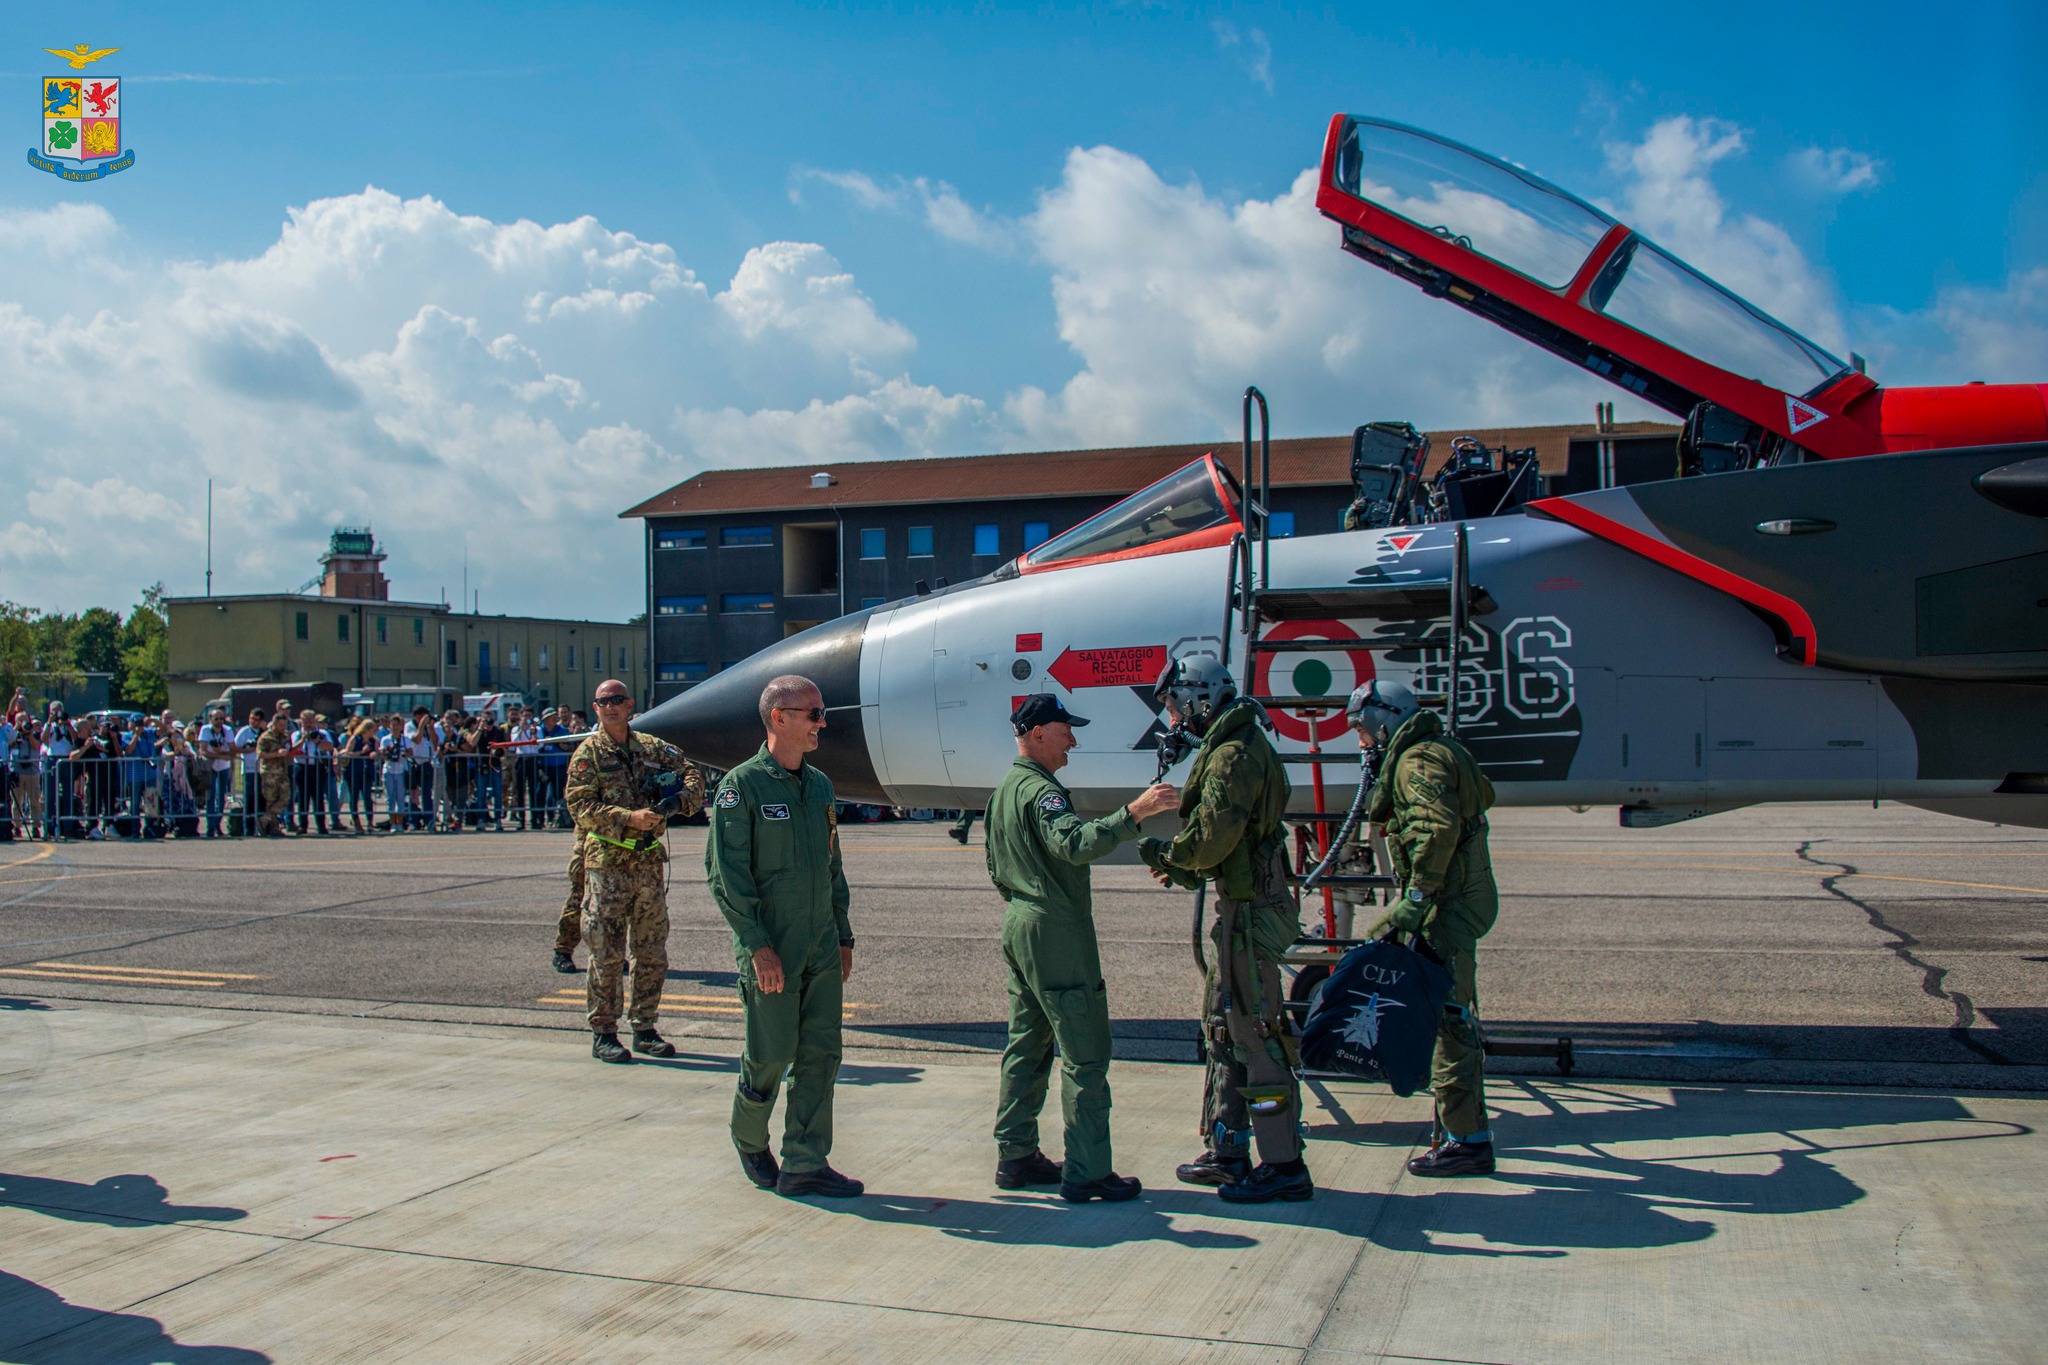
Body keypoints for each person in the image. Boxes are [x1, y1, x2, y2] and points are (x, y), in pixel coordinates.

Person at [984, 694, 1178, 1203]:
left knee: (1027, 1044)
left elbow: (994, 863)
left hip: (1020, 923)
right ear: (1038, 733)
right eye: (1065, 729)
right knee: (1084, 1051)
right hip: (1056, 931)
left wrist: (1027, 903)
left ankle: (1016, 1155)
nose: (1073, 739)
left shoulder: (1005, 790)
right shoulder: (1043, 793)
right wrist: (1135, 812)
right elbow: (1075, 845)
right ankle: (1088, 1171)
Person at [1138, 652, 1310, 1205]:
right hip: (1241, 907)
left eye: (1175, 706)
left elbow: (1212, 838)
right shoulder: (1233, 744)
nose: (1173, 718)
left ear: (1199, 698)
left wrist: (1168, 856)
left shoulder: (1233, 756)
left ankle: (1284, 1165)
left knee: (1254, 1034)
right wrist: (1186, 865)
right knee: (1223, 1028)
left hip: (1252, 911)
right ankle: (1228, 1149)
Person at [705, 674, 861, 1199]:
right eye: (813, 713)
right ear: (779, 717)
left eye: (821, 713)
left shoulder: (819, 786)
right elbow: (726, 876)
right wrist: (757, 945)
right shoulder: (741, 787)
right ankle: (749, 1139)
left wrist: (843, 936)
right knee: (770, 1054)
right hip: (773, 946)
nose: (822, 722)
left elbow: (832, 868)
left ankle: (805, 1162)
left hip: (821, 944)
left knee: (821, 1054)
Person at [1349, 679, 1501, 1178]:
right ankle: (1461, 1132)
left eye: (1362, 730)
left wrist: (1414, 900)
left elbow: (1435, 830)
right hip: (1454, 900)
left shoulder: (1416, 762)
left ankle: (1467, 1141)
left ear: (1382, 722)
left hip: (1444, 906)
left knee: (1450, 1021)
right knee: (1448, 1014)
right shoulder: (1440, 749)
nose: (1361, 742)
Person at [564, 678, 704, 1064]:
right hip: (607, 866)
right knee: (606, 953)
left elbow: (693, 775)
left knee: (651, 951)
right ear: (596, 708)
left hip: (647, 865)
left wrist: (677, 803)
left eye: (617, 700)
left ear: (629, 705)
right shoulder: (588, 754)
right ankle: (604, 1032)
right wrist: (629, 818)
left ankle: (644, 1027)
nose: (610, 706)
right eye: (603, 701)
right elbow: (579, 806)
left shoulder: (652, 747)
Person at [197, 707, 236, 838]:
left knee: (221, 796)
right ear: (211, 719)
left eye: (221, 718)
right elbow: (203, 751)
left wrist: (222, 753)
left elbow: (232, 750)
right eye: (216, 719)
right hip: (210, 767)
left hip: (224, 767)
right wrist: (220, 755)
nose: (219, 721)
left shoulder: (227, 730)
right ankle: (210, 826)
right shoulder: (205, 730)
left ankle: (217, 824)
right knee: (210, 796)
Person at [255, 712, 294, 837]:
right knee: (270, 800)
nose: (283, 728)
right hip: (270, 773)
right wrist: (277, 754)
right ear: (275, 724)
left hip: (282, 771)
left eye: (284, 725)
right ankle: (272, 828)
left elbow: (290, 748)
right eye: (281, 725)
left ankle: (265, 818)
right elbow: (261, 754)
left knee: (285, 798)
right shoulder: (265, 737)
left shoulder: (286, 736)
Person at [235, 709, 264, 836]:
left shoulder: (264, 733)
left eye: (256, 719)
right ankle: (248, 829)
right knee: (250, 799)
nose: (253, 721)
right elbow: (235, 747)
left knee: (261, 799)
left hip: (262, 770)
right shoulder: (244, 731)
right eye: (251, 718)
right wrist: (249, 750)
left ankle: (262, 827)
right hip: (249, 770)